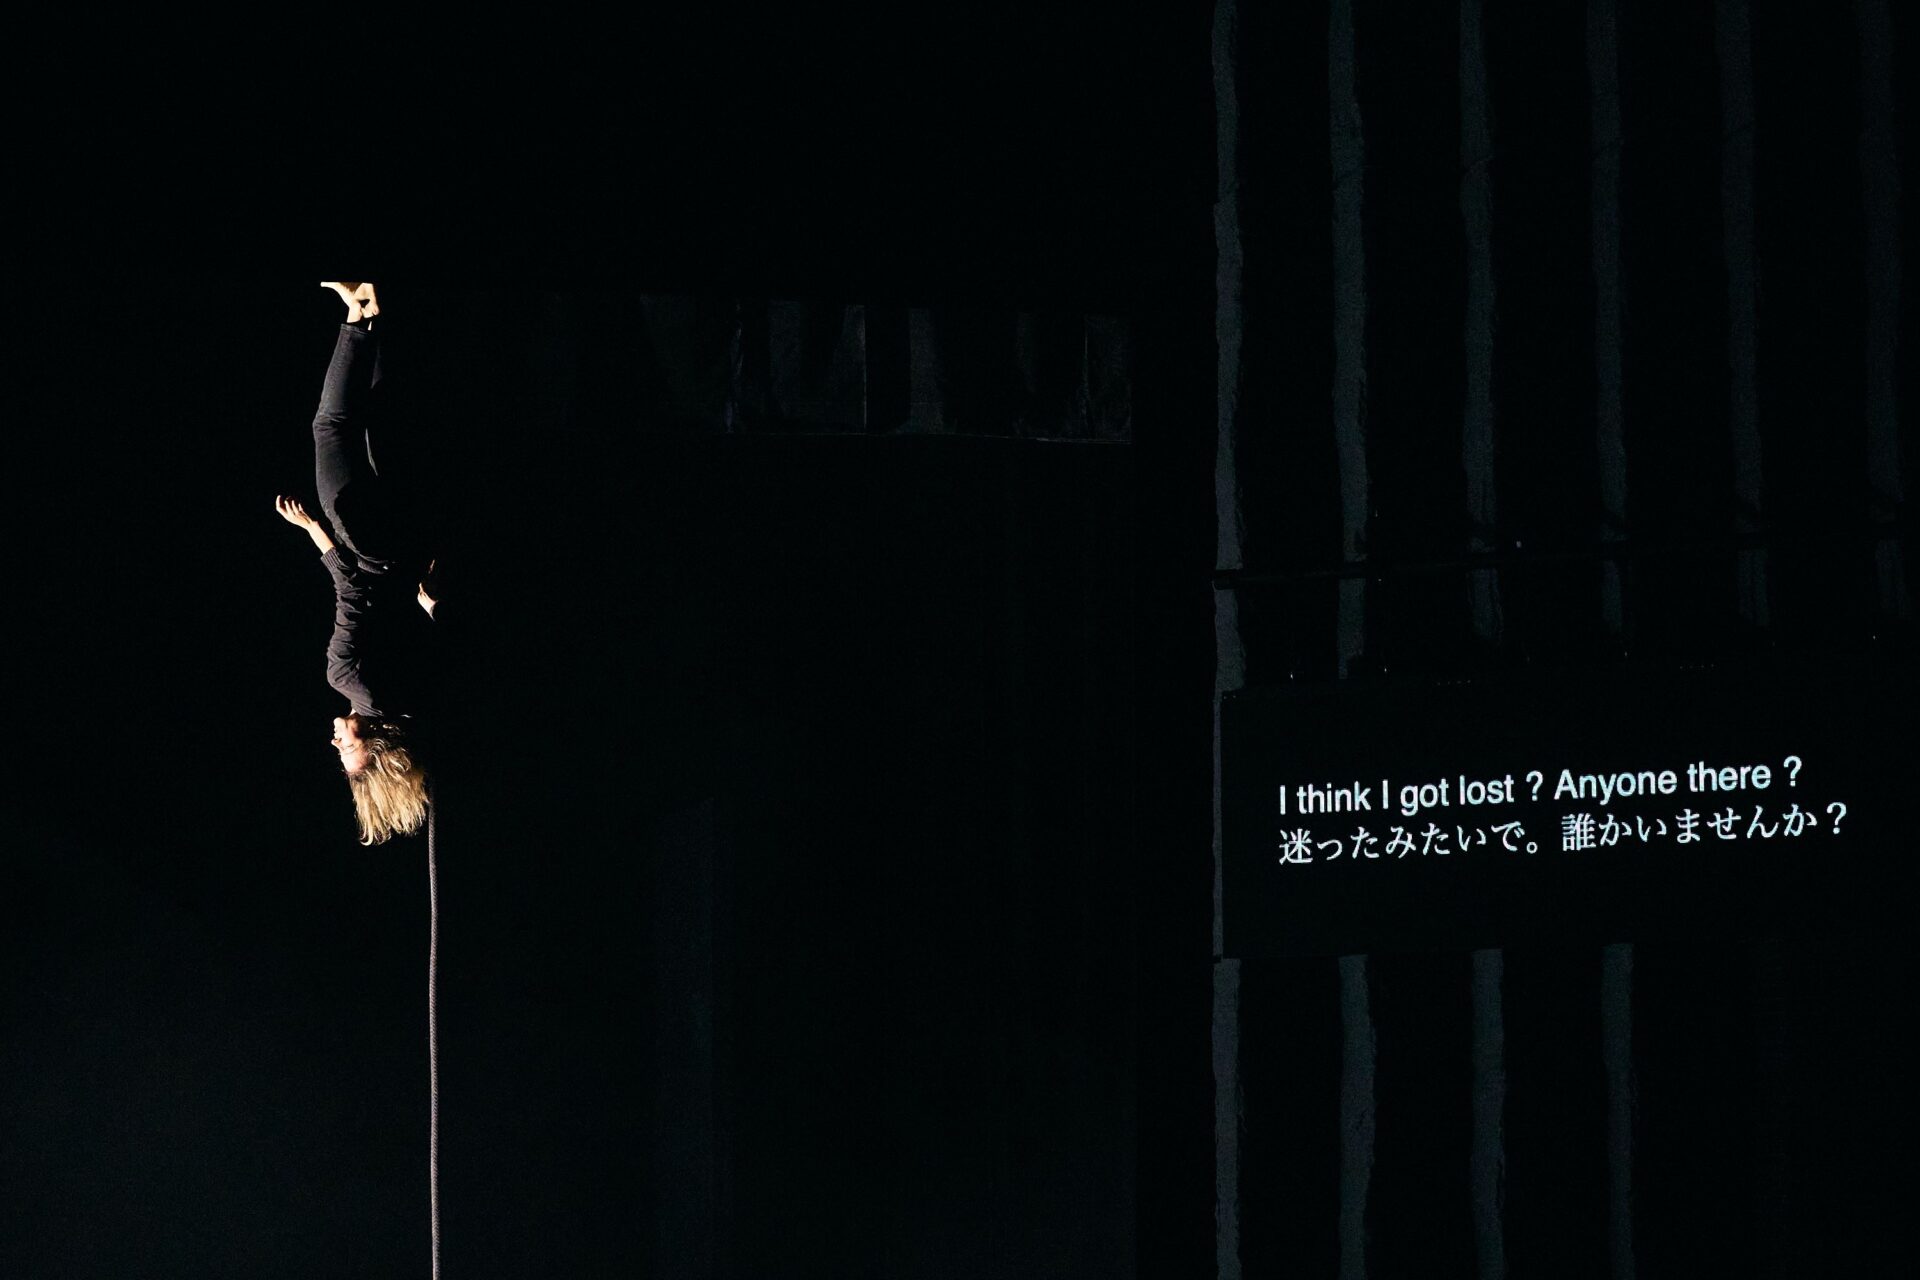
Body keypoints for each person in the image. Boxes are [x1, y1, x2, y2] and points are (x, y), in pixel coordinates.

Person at [276, 282, 440, 844]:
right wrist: (314, 531)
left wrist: (428, 603)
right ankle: (356, 313)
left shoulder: (410, 700)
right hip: (366, 543)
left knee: (382, 425)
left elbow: (438, 635)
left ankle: (378, 312)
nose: (335, 741)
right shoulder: (346, 677)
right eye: (346, 749)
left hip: (411, 548)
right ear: (373, 746)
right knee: (333, 427)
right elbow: (350, 589)